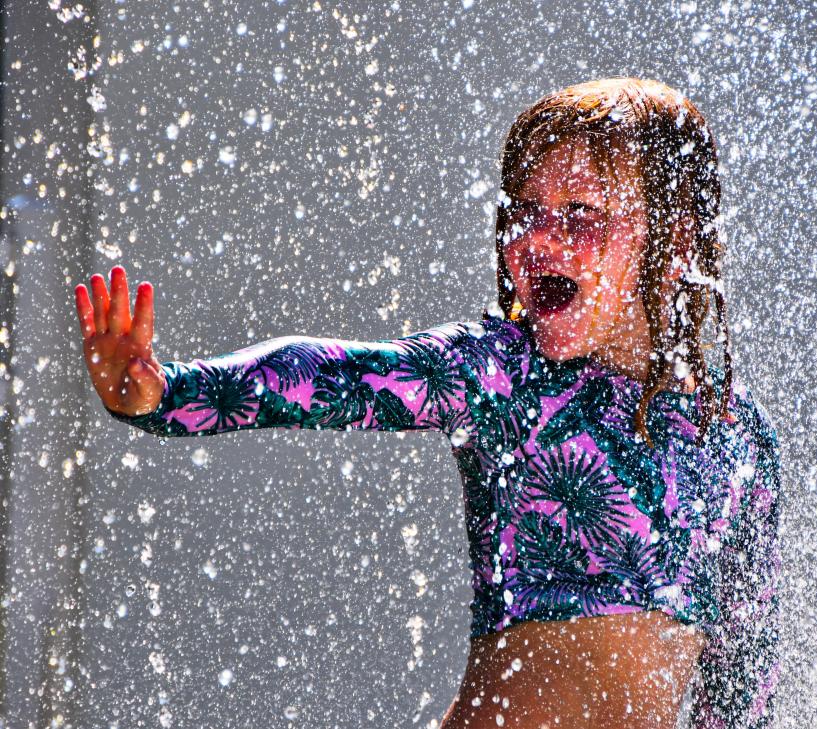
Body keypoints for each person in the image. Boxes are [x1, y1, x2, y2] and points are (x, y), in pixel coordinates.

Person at [75, 77, 781, 728]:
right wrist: (165, 391)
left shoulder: (734, 435)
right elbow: (328, 375)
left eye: (580, 215)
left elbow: (745, 670)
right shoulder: (502, 375)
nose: (538, 238)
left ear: (677, 237)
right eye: (525, 212)